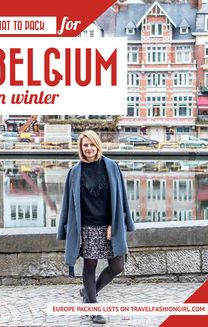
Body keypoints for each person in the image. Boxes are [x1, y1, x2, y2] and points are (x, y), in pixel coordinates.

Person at [57, 130, 135, 324]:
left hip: (109, 225)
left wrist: (115, 223)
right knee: (89, 265)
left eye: (92, 144)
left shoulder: (111, 167)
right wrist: (70, 230)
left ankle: (88, 293)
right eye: (85, 145)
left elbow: (121, 198)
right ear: (81, 148)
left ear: (97, 145)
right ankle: (94, 308)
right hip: (87, 227)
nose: (89, 148)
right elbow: (68, 203)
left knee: (117, 267)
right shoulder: (75, 172)